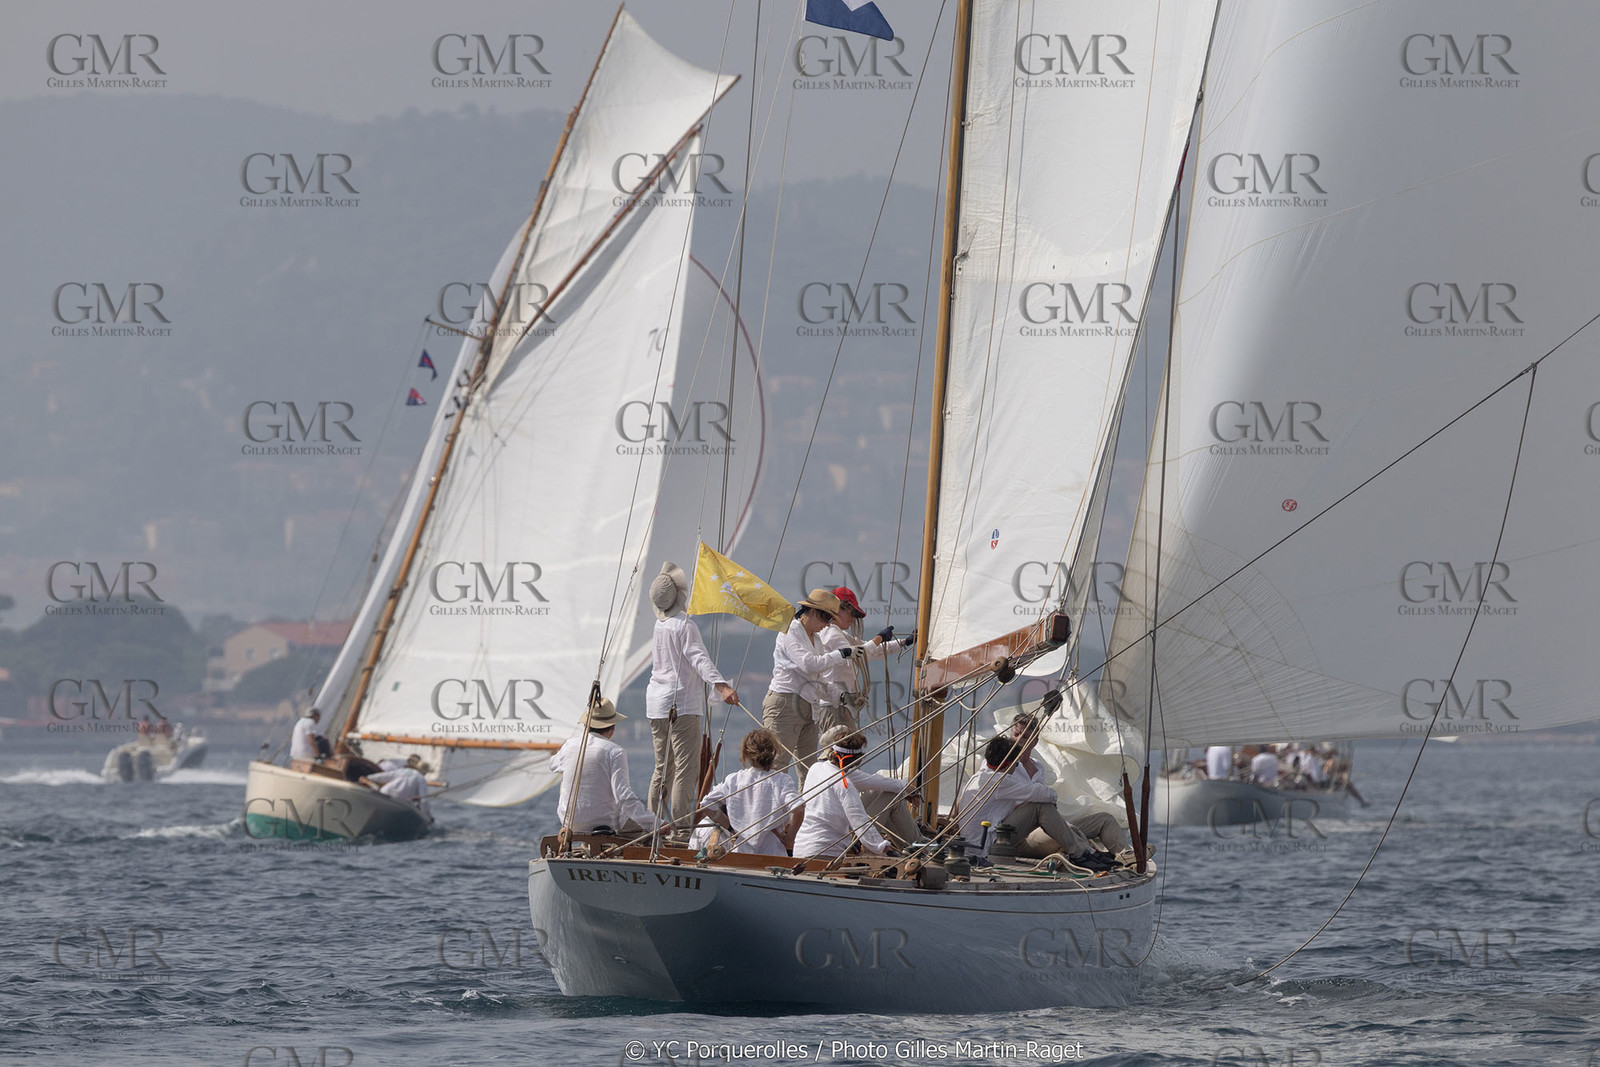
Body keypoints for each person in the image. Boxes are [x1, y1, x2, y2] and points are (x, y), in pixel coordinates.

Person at [645, 561, 739, 829]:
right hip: (681, 705)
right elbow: (699, 659)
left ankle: (653, 825)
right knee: (685, 770)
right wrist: (722, 686)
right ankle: (683, 829)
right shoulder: (684, 626)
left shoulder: (659, 626)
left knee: (662, 768)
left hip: (656, 705)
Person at [955, 737, 1123, 869]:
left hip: (979, 843)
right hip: (987, 846)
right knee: (1040, 805)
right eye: (1016, 763)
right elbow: (1041, 793)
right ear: (1011, 763)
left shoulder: (979, 778)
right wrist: (1051, 798)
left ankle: (1087, 852)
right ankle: (1080, 854)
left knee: (1043, 806)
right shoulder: (998, 780)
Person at [763, 588, 851, 777]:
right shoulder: (791, 629)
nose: (827, 625)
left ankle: (807, 807)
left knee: (811, 771)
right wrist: (840, 654)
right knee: (776, 767)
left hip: (809, 709)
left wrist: (840, 696)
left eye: (830, 620)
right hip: (785, 703)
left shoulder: (816, 639)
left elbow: (816, 679)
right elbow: (808, 665)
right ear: (811, 612)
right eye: (825, 618)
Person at [681, 728, 801, 856]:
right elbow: (799, 809)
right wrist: (790, 838)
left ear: (747, 754)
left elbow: (706, 803)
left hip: (741, 853)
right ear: (774, 752)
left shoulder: (734, 780)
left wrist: (732, 830)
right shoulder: (782, 780)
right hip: (772, 854)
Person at [814, 586, 915, 737]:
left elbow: (872, 650)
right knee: (839, 753)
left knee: (843, 752)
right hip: (834, 706)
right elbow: (857, 654)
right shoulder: (830, 633)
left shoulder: (840, 634)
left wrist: (904, 642)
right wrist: (879, 637)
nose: (854, 618)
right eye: (852, 613)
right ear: (838, 609)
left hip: (841, 706)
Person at [549, 698, 657, 837]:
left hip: (569, 823)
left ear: (586, 725)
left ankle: (586, 848)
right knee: (648, 836)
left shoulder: (570, 745)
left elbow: (553, 765)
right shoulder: (615, 751)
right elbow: (623, 796)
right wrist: (655, 824)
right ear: (612, 728)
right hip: (606, 823)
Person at [791, 730, 898, 859]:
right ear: (857, 760)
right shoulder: (845, 785)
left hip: (800, 850)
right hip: (825, 853)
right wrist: (884, 847)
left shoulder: (816, 768)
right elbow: (860, 821)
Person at [360, 753, 433, 820]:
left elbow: (385, 776)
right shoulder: (421, 779)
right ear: (424, 772)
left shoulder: (403, 771)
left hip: (384, 794)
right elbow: (424, 800)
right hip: (399, 803)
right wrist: (426, 816)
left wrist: (369, 777)